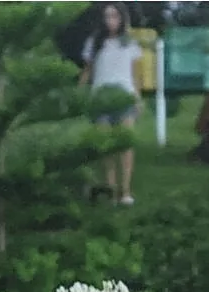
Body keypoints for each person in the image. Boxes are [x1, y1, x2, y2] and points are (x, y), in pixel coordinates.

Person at [78, 3, 139, 205]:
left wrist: (137, 98)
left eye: (114, 16)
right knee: (106, 147)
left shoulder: (129, 42)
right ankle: (110, 189)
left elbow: (134, 74)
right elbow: (87, 70)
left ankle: (126, 190)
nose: (110, 20)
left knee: (125, 145)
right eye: (107, 16)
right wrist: (79, 94)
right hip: (101, 98)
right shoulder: (95, 42)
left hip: (124, 98)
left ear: (122, 18)